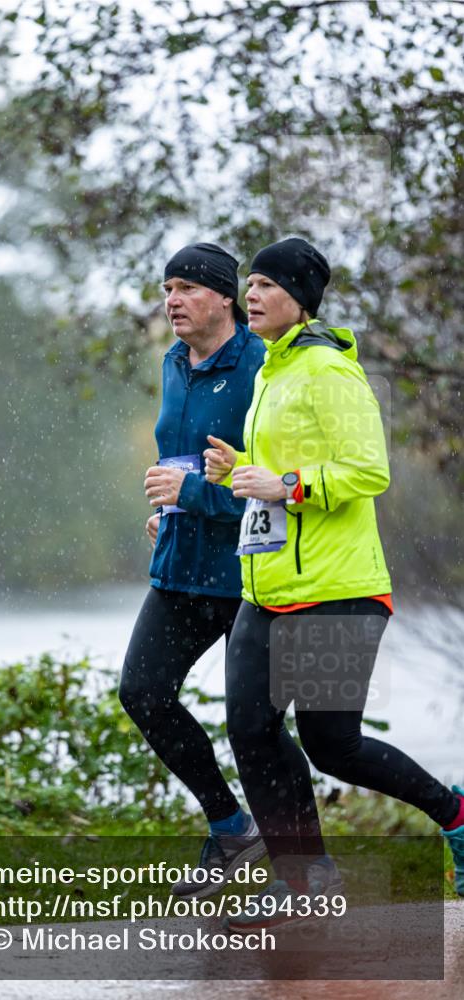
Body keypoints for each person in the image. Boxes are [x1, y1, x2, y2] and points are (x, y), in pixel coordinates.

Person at [203, 236, 464, 929]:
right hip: (266, 590)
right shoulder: (270, 371)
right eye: (245, 284)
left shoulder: (326, 370)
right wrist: (238, 470)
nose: (248, 295)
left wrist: (287, 483)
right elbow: (274, 473)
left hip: (337, 591)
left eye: (262, 284)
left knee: (332, 745)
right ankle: (302, 876)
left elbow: (365, 470)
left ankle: (456, 813)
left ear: (299, 296)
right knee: (251, 731)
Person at [118, 242, 267, 898]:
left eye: (186, 287)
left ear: (224, 296)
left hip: (249, 576)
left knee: (255, 726)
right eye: (167, 287)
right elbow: (181, 462)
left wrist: (197, 499)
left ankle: (302, 869)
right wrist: (168, 511)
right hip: (180, 564)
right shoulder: (174, 364)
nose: (172, 300)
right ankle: (230, 825)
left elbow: (271, 485)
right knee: (142, 692)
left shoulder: (263, 368)